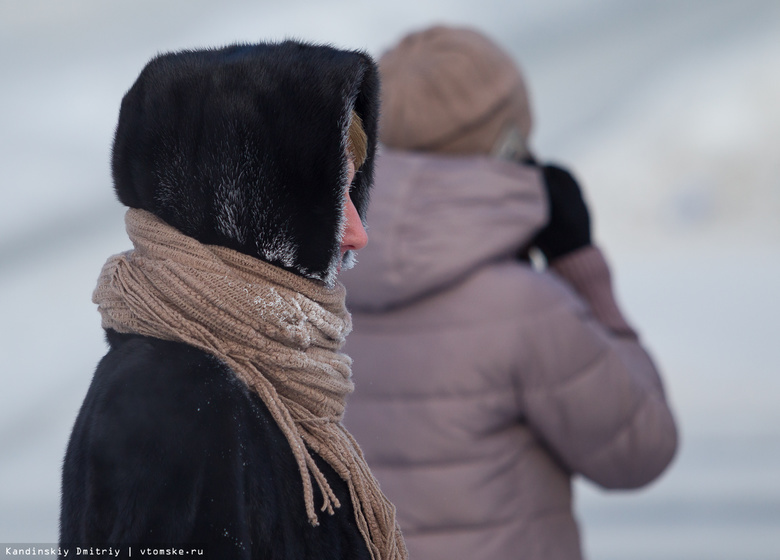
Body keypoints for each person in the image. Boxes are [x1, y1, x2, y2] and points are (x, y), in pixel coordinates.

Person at [340, 26, 678, 560]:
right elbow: (641, 451)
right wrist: (583, 273)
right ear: (509, 141)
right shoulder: (526, 310)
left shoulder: (314, 284)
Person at [59, 41, 407, 560]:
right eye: (333, 200)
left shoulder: (243, 375)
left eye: (354, 195)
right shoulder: (176, 398)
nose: (358, 234)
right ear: (249, 207)